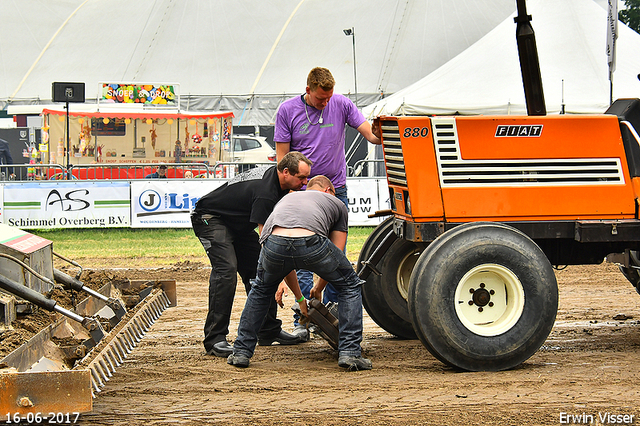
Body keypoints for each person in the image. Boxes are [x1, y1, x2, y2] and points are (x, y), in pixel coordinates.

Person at [273, 67, 381, 338]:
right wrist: (288, 194)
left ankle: (329, 309)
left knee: (336, 255)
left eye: (329, 98)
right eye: (321, 99)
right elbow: (282, 161)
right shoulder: (287, 111)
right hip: (302, 192)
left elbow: (369, 133)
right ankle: (304, 317)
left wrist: (384, 133)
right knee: (302, 254)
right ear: (308, 90)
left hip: (336, 190)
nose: (325, 103)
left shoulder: (341, 103)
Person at [227, 175, 371, 371]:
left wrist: (300, 297)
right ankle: (350, 353)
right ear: (329, 191)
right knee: (350, 286)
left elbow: (287, 264)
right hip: (310, 240)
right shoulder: (336, 203)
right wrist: (319, 288)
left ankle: (241, 352)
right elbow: (337, 254)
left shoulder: (288, 198)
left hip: (273, 242)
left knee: (261, 290)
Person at [191, 151, 312, 357]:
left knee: (260, 272)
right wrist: (280, 278)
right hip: (211, 218)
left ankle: (267, 330)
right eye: (301, 177)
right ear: (285, 172)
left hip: (238, 226)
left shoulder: (279, 186)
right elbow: (269, 243)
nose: (305, 182)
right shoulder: (267, 192)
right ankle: (215, 339)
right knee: (226, 271)